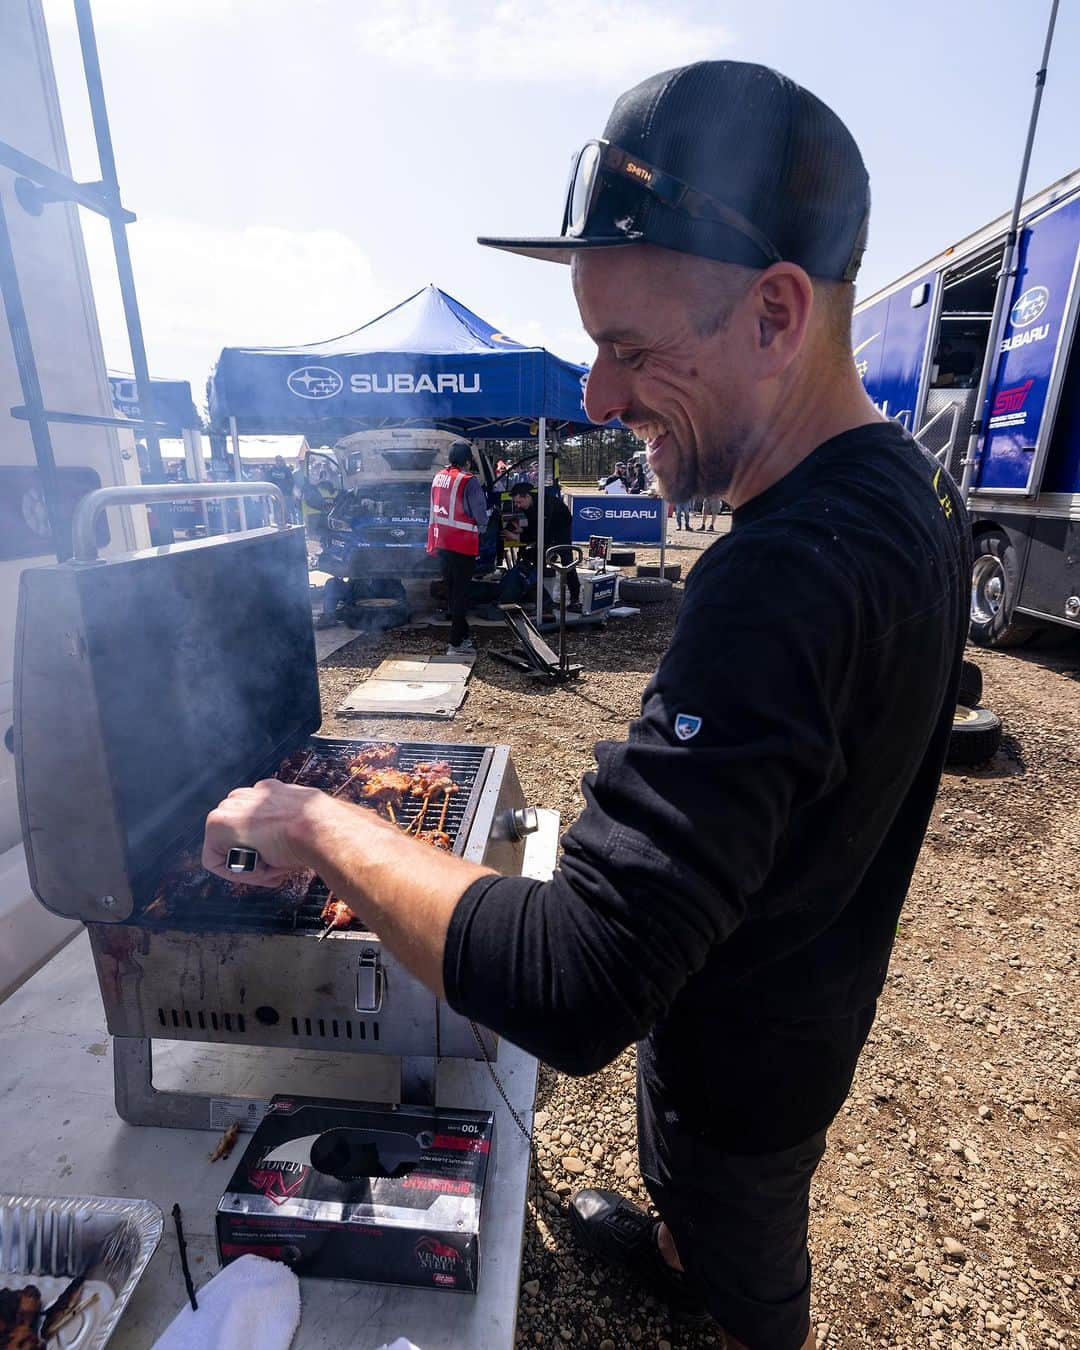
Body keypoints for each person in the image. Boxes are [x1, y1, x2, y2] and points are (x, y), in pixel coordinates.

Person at [203, 61, 969, 1350]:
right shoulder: (910, 490)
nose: (598, 400)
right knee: (715, 1197)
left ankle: (737, 1305)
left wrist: (318, 822)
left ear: (779, 313)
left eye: (627, 350)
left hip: (750, 1058)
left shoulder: (780, 578)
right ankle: (679, 1250)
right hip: (801, 983)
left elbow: (580, 984)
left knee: (751, 1250)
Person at [426, 440, 489, 655]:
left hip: (442, 542)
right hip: (462, 544)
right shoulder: (468, 481)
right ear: (468, 461)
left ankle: (462, 633)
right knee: (461, 593)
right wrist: (487, 524)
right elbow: (480, 515)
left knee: (452, 590)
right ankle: (455, 642)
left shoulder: (438, 477)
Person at [503, 480, 581, 612]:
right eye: (515, 502)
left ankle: (575, 599)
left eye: (519, 502)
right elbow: (534, 528)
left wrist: (519, 537)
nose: (517, 506)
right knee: (532, 559)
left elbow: (542, 533)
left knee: (567, 564)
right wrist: (523, 532)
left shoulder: (547, 505)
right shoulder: (529, 506)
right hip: (546, 532)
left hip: (559, 532)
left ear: (527, 496)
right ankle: (540, 598)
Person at [266, 455, 297, 521]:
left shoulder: (287, 469)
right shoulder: (271, 470)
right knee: (277, 512)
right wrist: (271, 493)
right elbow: (269, 481)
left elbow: (291, 481)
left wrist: (289, 492)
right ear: (275, 461)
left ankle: (288, 524)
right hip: (275, 495)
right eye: (278, 460)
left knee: (286, 512)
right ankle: (278, 524)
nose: (279, 462)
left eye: (281, 460)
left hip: (286, 495)